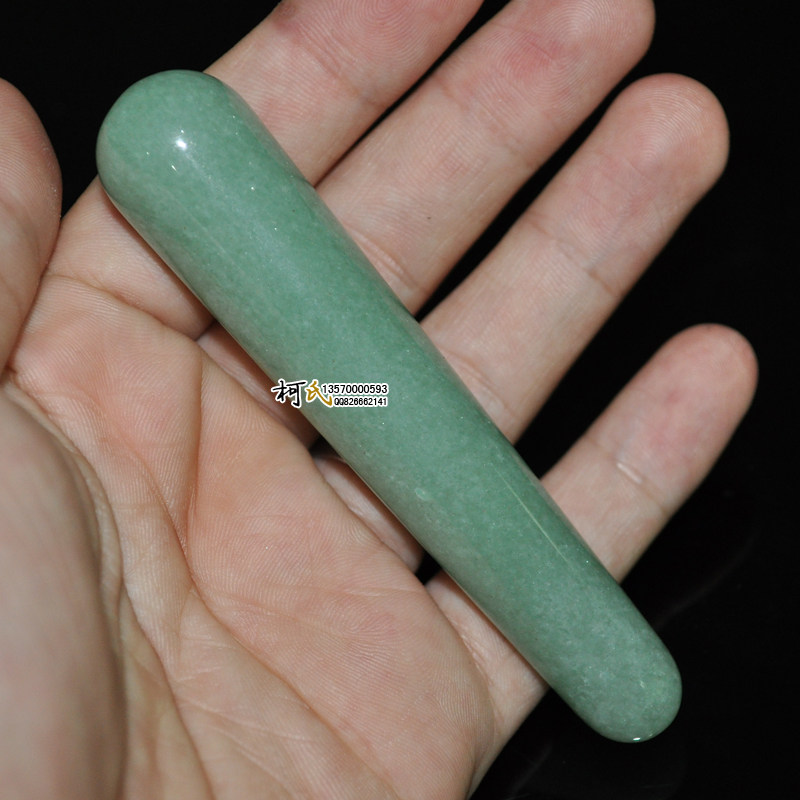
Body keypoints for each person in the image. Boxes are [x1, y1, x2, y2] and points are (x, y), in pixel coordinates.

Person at [0, 1, 757, 797]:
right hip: (315, 392)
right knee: (331, 391)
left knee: (332, 391)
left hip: (321, 389)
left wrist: (304, 388)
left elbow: (346, 391)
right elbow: (341, 391)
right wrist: (307, 389)